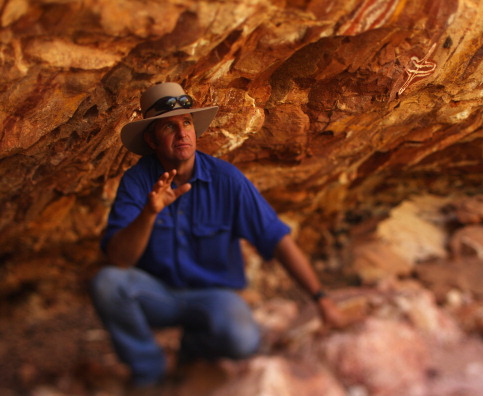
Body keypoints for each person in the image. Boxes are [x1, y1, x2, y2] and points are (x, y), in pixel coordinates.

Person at [90, 82, 345, 387]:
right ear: (151, 139)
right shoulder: (136, 182)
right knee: (107, 283)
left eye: (187, 123)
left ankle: (192, 352)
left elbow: (276, 239)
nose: (182, 132)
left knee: (243, 341)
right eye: (169, 127)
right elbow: (118, 259)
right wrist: (149, 213)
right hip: (158, 293)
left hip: (213, 296)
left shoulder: (228, 180)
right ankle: (150, 374)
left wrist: (321, 299)